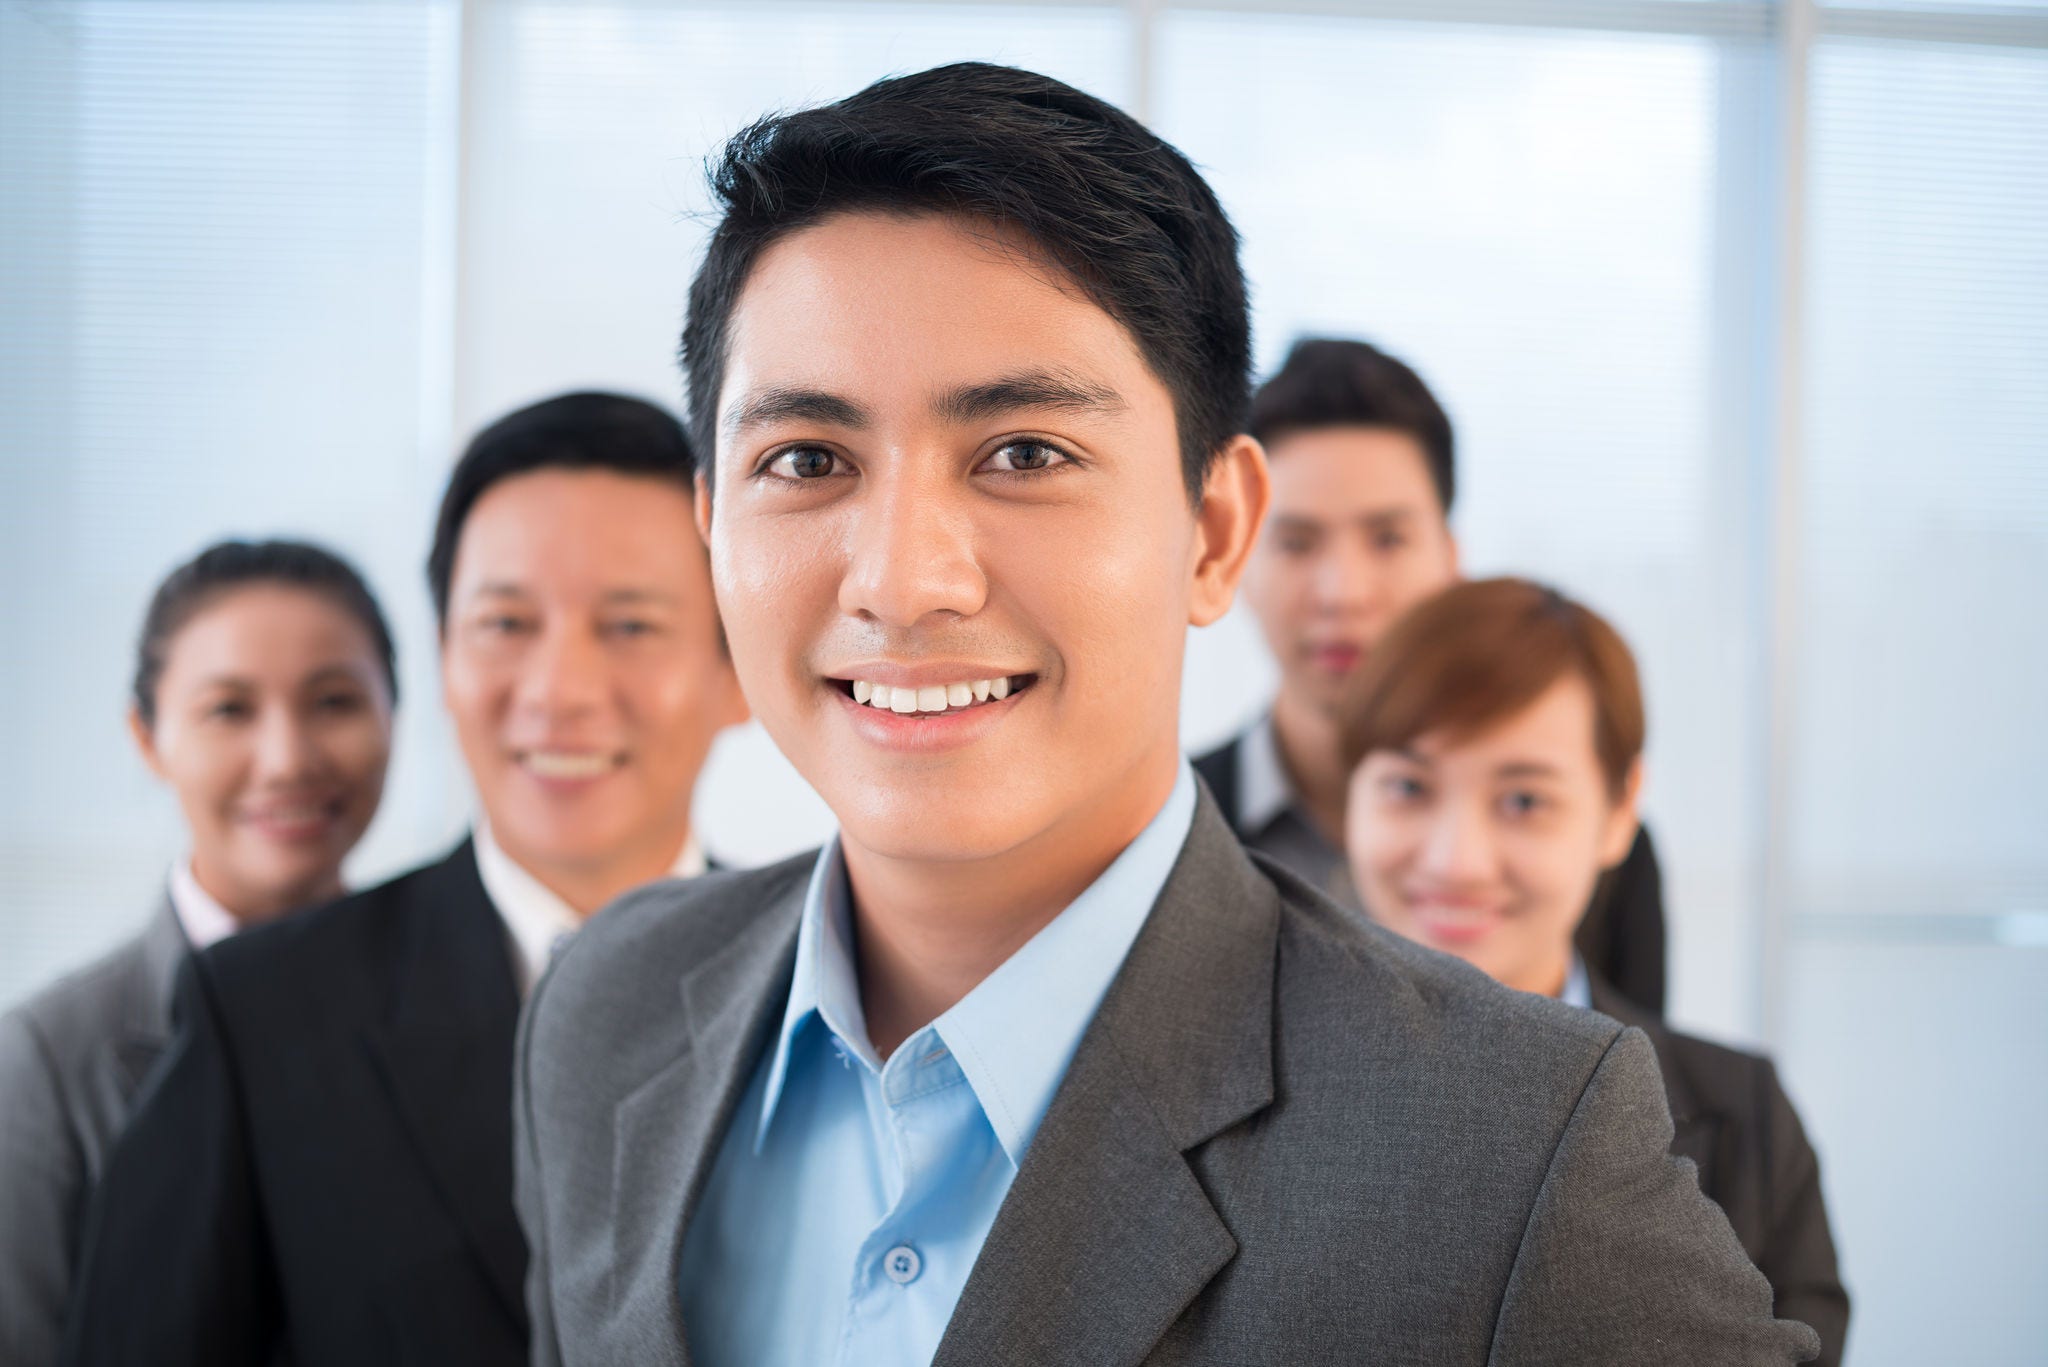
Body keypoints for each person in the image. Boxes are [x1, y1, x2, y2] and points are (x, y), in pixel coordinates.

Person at [513, 63, 1820, 1366]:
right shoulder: (602, 1009)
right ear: (712, 525)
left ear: (1215, 529)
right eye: (806, 460)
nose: (903, 581)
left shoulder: (1512, 1146)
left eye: (1024, 453)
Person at [59, 393, 747, 1367]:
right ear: (442, 658)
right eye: (505, 622)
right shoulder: (259, 1013)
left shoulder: (830, 989)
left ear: (738, 668)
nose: (558, 690)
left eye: (630, 623)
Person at [1341, 576, 1849, 1365]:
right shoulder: (1237, 1089)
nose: (1456, 861)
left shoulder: (1744, 1114)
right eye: (1408, 787)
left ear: (1619, 809)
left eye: (1523, 801)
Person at [0, 540, 397, 1365]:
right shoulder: (48, 1058)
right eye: (229, 709)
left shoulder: (463, 996)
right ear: (147, 737)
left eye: (334, 701)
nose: (287, 759)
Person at [1196, 335, 1673, 1012]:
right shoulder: (1169, 829)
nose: (1343, 593)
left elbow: (1645, 1065)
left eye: (1388, 539)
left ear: (1451, 559)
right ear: (1235, 553)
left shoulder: (1589, 845)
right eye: (1296, 542)